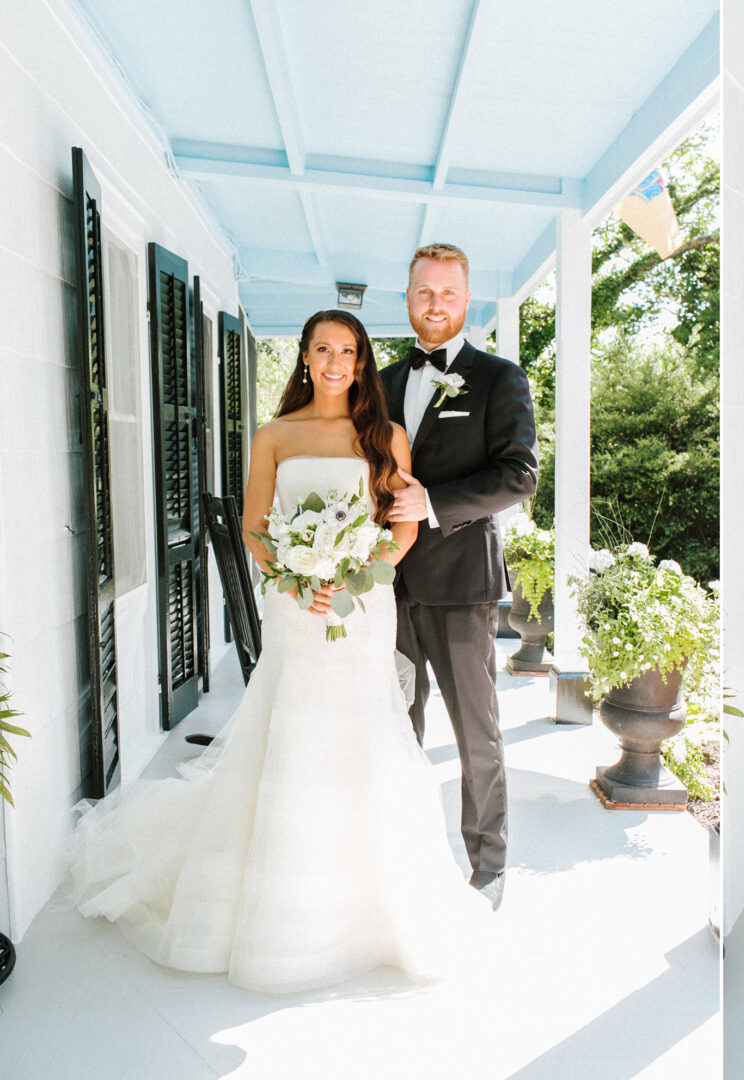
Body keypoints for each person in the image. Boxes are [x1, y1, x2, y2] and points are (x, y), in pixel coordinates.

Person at [69, 310, 485, 994]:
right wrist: (298, 581)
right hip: (295, 609)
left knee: (360, 735)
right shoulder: (275, 435)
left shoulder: (385, 436)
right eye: (322, 348)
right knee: (293, 734)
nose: (333, 361)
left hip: (362, 608)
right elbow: (256, 528)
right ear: (303, 357)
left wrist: (351, 578)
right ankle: (281, 897)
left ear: (360, 363)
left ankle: (370, 902)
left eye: (346, 351)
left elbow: (402, 529)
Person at [378, 243, 539, 911]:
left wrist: (434, 505)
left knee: (476, 733)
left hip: (462, 586)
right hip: (384, 588)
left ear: (466, 300)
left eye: (447, 293)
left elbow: (518, 475)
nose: (435, 304)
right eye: (424, 292)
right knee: (392, 729)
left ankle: (488, 866)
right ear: (408, 298)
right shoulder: (380, 383)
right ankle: (398, 857)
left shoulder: (499, 378)